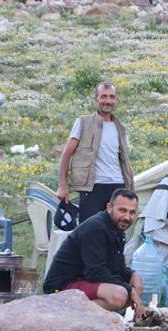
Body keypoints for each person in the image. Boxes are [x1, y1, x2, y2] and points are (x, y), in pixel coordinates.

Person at [44, 188, 145, 319]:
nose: (127, 217)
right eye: (122, 210)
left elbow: (117, 268)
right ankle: (66, 316)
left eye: (132, 212)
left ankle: (88, 318)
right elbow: (95, 272)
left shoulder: (117, 230)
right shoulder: (95, 228)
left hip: (84, 282)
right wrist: (129, 289)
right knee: (119, 295)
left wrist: (132, 275)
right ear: (109, 208)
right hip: (61, 287)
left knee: (134, 287)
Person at [57, 82, 134, 225]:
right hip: (92, 187)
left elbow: (124, 160)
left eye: (111, 97)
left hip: (117, 186)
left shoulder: (121, 128)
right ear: (96, 99)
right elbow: (66, 154)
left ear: (115, 99)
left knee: (116, 231)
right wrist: (62, 186)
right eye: (103, 96)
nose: (108, 101)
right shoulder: (83, 122)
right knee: (90, 230)